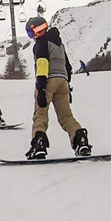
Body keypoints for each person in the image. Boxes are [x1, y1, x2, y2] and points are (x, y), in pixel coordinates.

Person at [24, 17, 91, 160]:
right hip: (63, 81)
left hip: (48, 80)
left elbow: (42, 63)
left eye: (31, 33)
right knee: (66, 116)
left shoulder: (41, 44)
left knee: (40, 115)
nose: (32, 37)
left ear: (38, 30)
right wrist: (68, 86)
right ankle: (80, 141)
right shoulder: (59, 44)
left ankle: (39, 145)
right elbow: (67, 66)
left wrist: (41, 86)